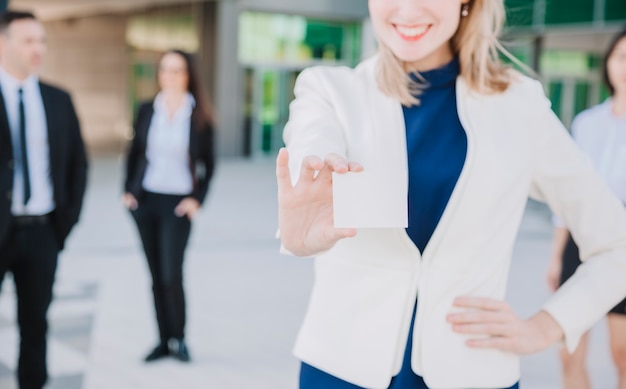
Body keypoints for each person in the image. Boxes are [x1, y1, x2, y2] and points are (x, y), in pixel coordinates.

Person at [276, 1, 626, 388]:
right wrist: (303, 221)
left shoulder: (519, 105)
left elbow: (617, 243)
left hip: (474, 372)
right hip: (340, 371)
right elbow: (310, 150)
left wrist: (550, 324)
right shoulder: (330, 92)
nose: (408, 9)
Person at [0, 10, 88, 389]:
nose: (39, 49)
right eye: (28, 41)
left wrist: (61, 227)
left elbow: (77, 166)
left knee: (35, 327)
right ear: (3, 44)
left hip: (41, 233)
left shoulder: (58, 99)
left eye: (42, 40)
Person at [122, 49, 215, 363]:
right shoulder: (148, 109)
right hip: (146, 201)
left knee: (171, 275)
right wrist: (128, 191)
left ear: (189, 74)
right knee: (154, 275)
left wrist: (197, 199)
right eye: (165, 69)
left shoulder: (199, 115)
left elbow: (210, 165)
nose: (169, 76)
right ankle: (162, 340)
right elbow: (135, 151)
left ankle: (180, 338)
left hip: (178, 205)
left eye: (176, 70)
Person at [546, 28, 626, 389]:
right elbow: (568, 195)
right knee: (568, 347)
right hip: (580, 239)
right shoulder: (586, 122)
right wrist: (556, 255)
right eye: (621, 57)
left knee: (622, 351)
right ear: (608, 62)